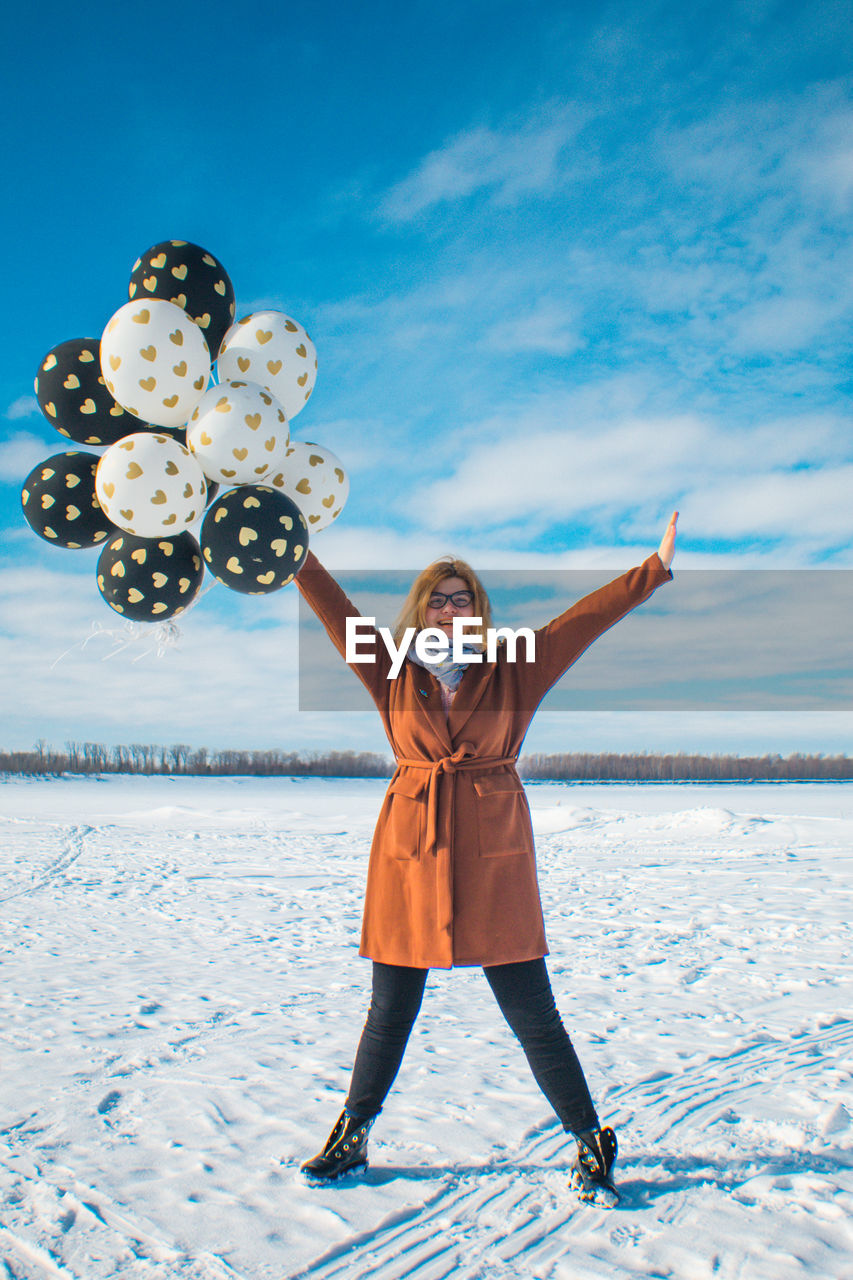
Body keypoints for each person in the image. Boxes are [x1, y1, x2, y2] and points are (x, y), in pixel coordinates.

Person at [295, 512, 678, 1202]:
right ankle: (351, 1134)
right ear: (420, 609)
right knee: (389, 1008)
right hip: (409, 850)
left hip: (491, 847)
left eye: (461, 597)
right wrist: (295, 552)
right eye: (438, 598)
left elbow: (580, 622)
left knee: (530, 1009)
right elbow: (331, 609)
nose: (449, 608)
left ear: (478, 611)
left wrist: (649, 570)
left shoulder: (513, 666)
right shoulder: (387, 664)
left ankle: (590, 1138)